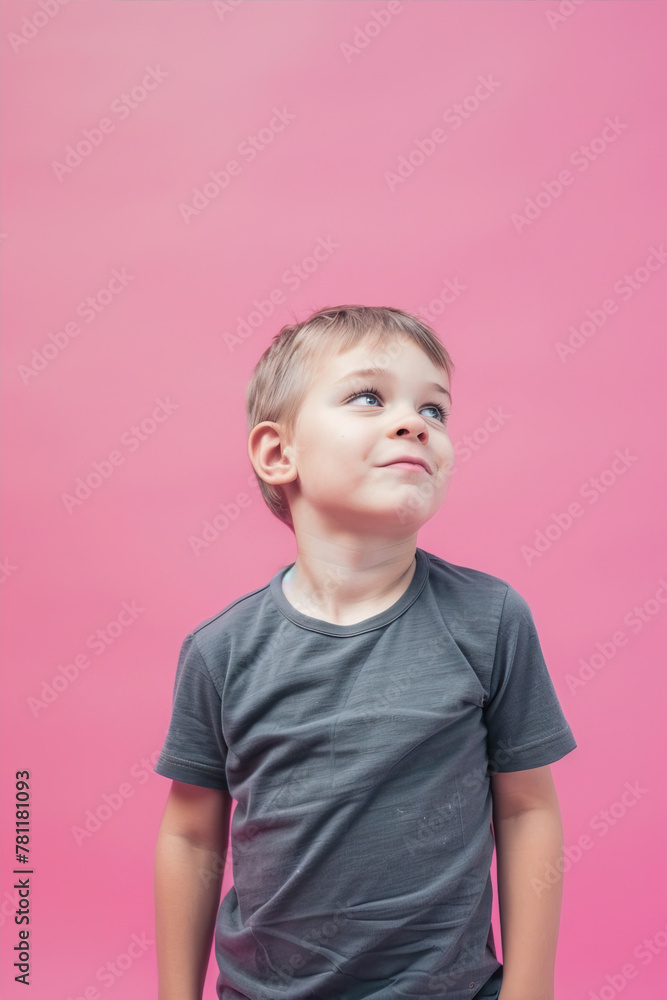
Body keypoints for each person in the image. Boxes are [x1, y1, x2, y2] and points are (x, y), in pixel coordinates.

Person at [153, 304, 577, 1000]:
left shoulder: (490, 621)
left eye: (434, 409)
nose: (414, 423)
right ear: (277, 453)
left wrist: (529, 991)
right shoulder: (219, 651)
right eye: (368, 398)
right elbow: (192, 834)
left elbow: (527, 809)